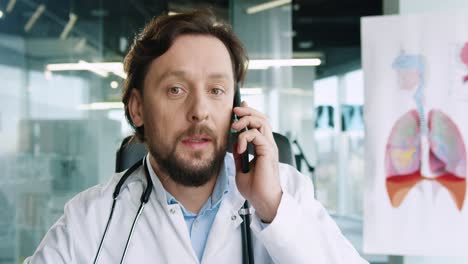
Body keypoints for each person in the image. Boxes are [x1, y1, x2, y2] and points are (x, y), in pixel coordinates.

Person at [25, 10, 368, 264]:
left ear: (236, 108)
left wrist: (272, 208)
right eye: (176, 89)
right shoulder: (91, 219)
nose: (200, 110)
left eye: (217, 90)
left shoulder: (285, 193)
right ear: (137, 108)